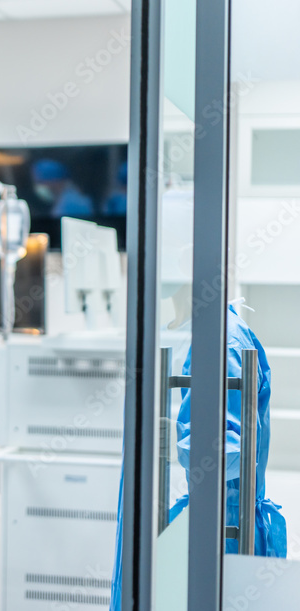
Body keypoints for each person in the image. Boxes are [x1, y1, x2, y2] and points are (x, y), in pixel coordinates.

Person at [108, 191, 286, 611]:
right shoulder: (222, 332)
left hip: (217, 530)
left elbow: (222, 453)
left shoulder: (218, 342)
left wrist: (165, 445)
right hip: (219, 524)